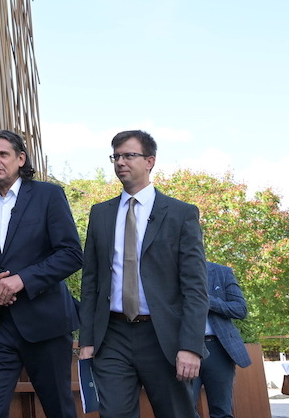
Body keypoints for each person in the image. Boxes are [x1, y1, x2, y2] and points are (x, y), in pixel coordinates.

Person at [77, 129, 208, 418]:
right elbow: (91, 282)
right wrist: (86, 340)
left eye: (128, 155)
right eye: (116, 156)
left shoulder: (181, 214)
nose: (120, 162)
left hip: (162, 337)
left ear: (150, 161)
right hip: (112, 336)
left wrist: (190, 346)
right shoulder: (100, 214)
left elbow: (195, 288)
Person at [0, 129, 83, 418]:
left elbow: (71, 254)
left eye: (3, 154)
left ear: (21, 159)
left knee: (59, 410)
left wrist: (22, 280)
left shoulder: (48, 195)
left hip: (46, 324)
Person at [192, 261, 252, 418]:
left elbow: (240, 309)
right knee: (183, 410)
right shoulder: (171, 273)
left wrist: (208, 301)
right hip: (186, 349)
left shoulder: (222, 272)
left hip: (219, 348)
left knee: (221, 411)